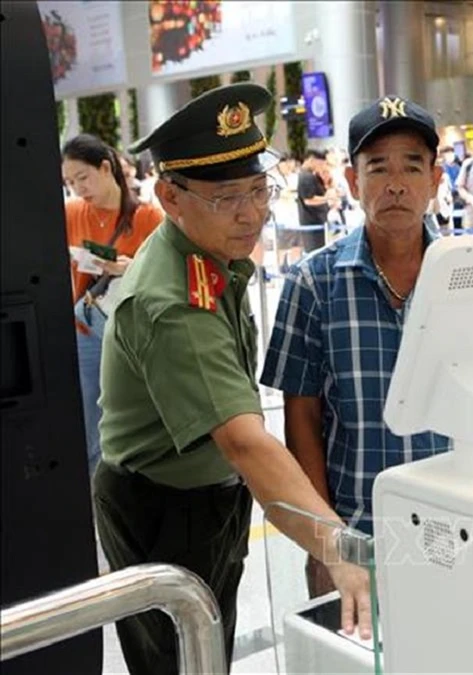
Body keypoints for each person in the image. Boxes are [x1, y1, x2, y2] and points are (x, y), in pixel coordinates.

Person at [93, 83, 374, 675]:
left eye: (258, 189)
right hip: (163, 506)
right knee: (179, 661)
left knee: (207, 648)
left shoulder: (207, 256)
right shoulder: (173, 302)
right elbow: (245, 441)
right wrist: (341, 550)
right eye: (226, 198)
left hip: (206, 494)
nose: (252, 213)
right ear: (171, 195)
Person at [260, 95, 452, 595]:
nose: (396, 184)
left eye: (412, 166)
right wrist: (327, 545)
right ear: (352, 181)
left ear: (435, 179)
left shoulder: (465, 274)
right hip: (358, 535)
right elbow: (301, 420)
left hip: (455, 528)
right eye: (378, 167)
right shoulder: (313, 283)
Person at [62, 134, 162, 476]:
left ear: (106, 168)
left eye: (83, 177)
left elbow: (165, 275)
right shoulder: (72, 213)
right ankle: (97, 490)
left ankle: (135, 481)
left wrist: (129, 268)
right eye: (70, 182)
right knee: (90, 413)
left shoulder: (148, 217)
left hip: (132, 328)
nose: (78, 188)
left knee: (133, 408)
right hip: (86, 326)